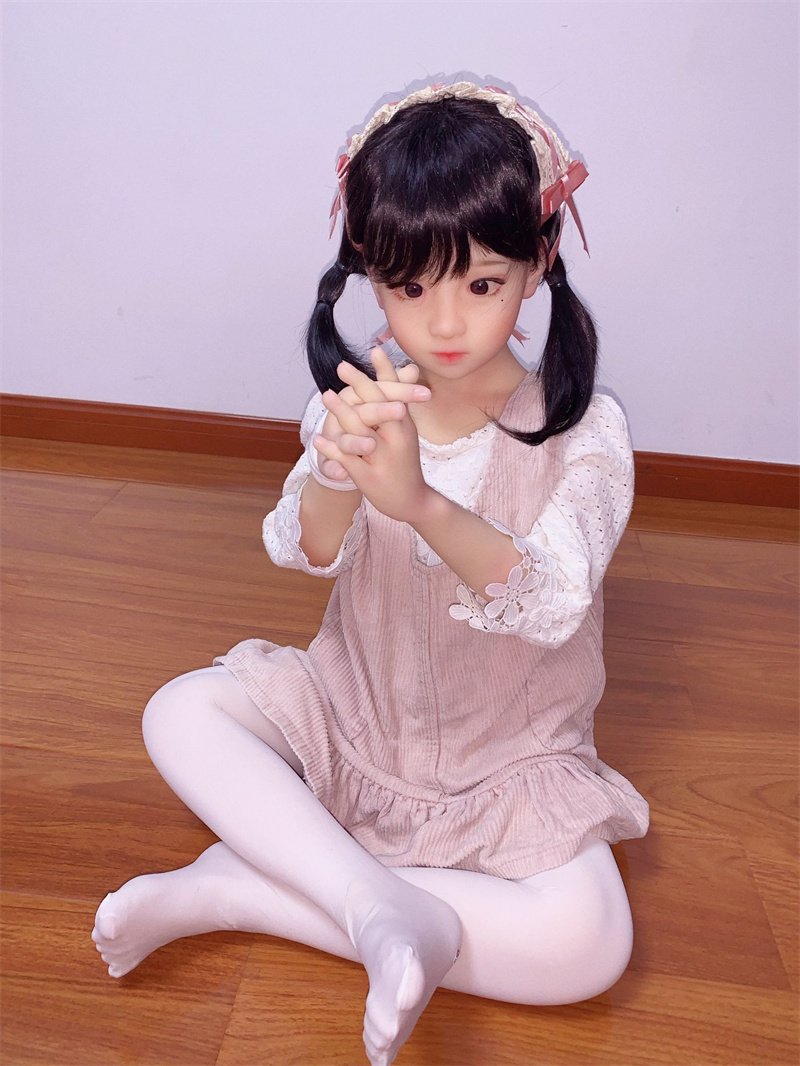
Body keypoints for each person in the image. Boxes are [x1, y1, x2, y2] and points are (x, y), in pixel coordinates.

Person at [92, 81, 649, 1066]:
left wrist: (422, 504)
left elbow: (555, 596)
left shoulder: (585, 435)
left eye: (481, 285)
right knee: (180, 711)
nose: (445, 322)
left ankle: (246, 890)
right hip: (356, 712)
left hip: (510, 755)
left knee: (590, 946)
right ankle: (376, 907)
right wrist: (337, 476)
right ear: (369, 274)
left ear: (538, 263)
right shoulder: (354, 406)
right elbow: (306, 551)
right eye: (409, 287)